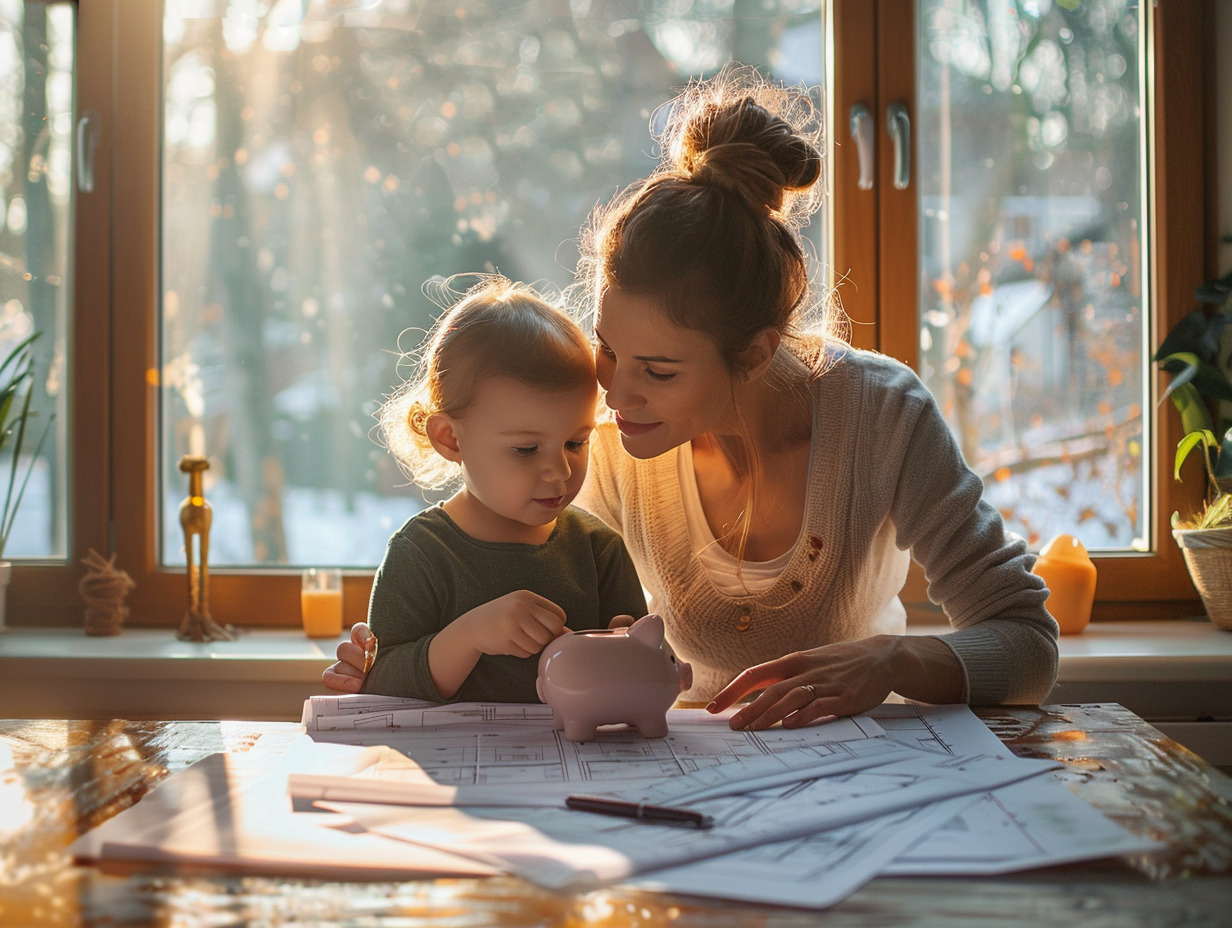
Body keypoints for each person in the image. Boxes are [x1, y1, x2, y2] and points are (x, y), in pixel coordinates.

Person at [325, 66, 1058, 729]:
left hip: (861, 783)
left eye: (660, 370)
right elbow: (509, 584)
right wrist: (388, 664)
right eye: (608, 349)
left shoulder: (882, 416)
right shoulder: (597, 446)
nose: (613, 391)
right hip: (687, 776)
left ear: (754, 353)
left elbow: (1026, 645)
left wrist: (890, 661)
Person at [358, 275, 649, 703]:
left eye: (575, 442)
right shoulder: (420, 553)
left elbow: (641, 680)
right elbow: (381, 684)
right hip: (454, 767)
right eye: (526, 449)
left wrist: (633, 652)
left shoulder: (598, 550)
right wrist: (471, 635)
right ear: (450, 439)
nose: (558, 471)